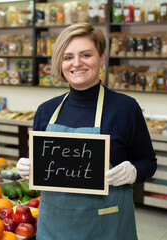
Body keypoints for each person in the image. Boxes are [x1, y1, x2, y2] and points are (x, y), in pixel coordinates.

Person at [17, 22, 157, 240]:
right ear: (60, 63)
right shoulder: (46, 111)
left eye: (86, 55)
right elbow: (44, 164)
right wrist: (28, 166)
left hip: (107, 226)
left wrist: (134, 172)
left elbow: (148, 162)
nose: (77, 63)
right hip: (54, 226)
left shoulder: (125, 109)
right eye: (68, 57)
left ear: (101, 58)